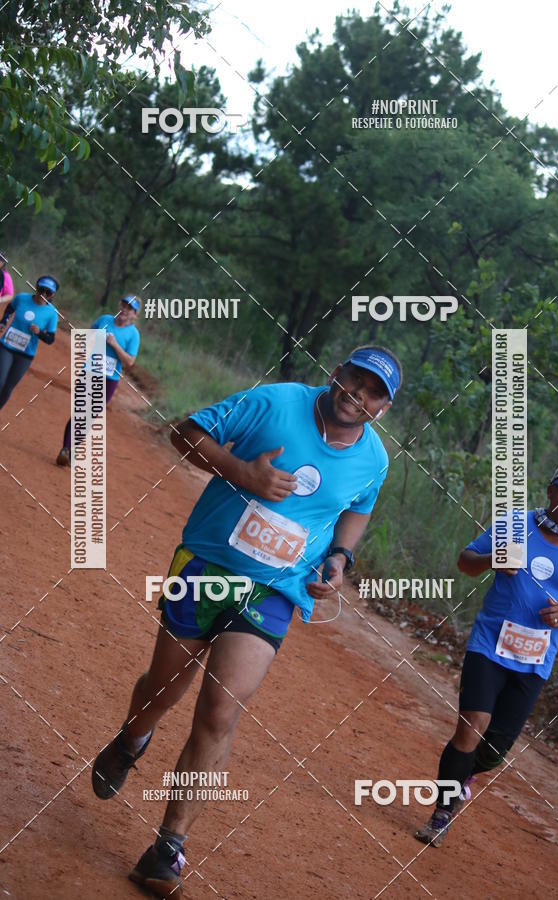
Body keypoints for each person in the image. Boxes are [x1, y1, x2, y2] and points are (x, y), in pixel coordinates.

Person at [91, 345, 401, 897]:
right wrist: (241, 472)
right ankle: (132, 738)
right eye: (357, 380)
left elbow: (359, 507)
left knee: (219, 711)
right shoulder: (276, 402)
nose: (360, 396)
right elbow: (186, 432)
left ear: (384, 408)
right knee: (163, 689)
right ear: (337, 374)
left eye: (375, 393)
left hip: (274, 589)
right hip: (207, 565)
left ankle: (168, 848)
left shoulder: (374, 458)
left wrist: (340, 557)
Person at [415, 460, 558, 848]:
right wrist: (493, 560)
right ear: (551, 489)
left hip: (536, 660)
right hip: (489, 643)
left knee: (494, 750)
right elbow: (465, 561)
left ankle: (466, 773)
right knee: (471, 726)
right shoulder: (515, 525)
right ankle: (441, 815)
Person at [56, 295, 141, 466]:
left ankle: (72, 450)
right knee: (80, 411)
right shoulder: (104, 320)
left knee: (89, 417)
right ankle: (65, 449)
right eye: (123, 305)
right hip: (89, 372)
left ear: (134, 314)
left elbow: (130, 361)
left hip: (109, 379)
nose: (125, 310)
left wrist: (114, 344)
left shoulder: (133, 334)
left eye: (129, 308)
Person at [0, 275, 59, 410]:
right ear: (36, 288)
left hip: (25, 355)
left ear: (52, 295)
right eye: (41, 290)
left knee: (8, 388)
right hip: (6, 346)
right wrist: (3, 321)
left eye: (48, 292)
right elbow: (10, 308)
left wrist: (39, 333)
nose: (43, 294)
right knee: (0, 381)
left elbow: (50, 339)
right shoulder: (22, 298)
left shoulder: (52, 314)